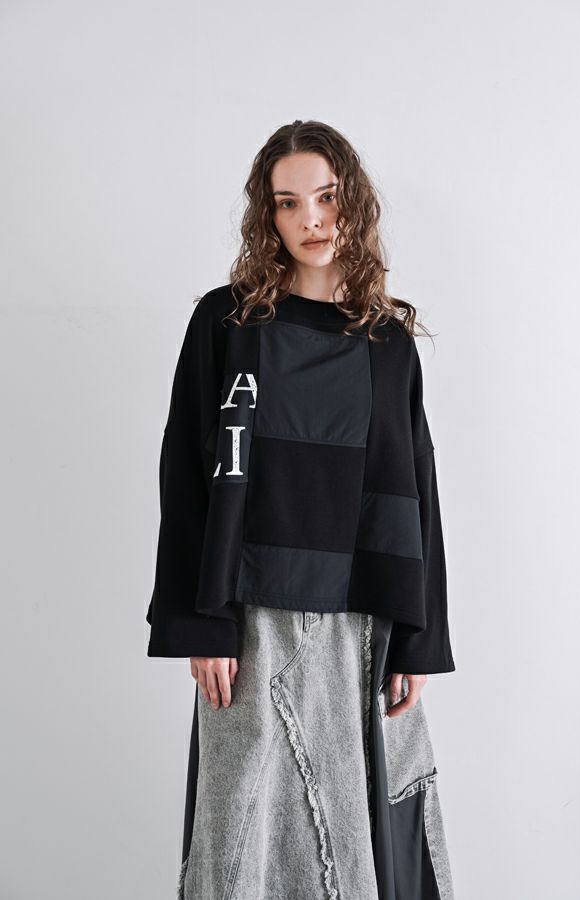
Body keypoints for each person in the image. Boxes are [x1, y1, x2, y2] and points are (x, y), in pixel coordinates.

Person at [145, 119, 457, 900]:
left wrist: (420, 641)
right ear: (269, 216)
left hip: (362, 625)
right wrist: (202, 623)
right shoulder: (227, 323)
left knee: (357, 842)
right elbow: (186, 474)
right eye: (288, 203)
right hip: (251, 620)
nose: (311, 219)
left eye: (326, 196)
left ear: (355, 201)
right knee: (240, 838)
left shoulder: (389, 342)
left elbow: (417, 490)